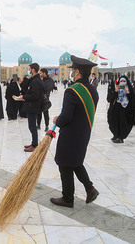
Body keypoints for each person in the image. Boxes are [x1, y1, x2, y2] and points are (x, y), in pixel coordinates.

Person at [50, 55, 99, 208]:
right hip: (83, 134)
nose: (71, 72)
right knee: (76, 162)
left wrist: (56, 120)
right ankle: (90, 189)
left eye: (73, 70)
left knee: (64, 164)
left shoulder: (72, 91)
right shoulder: (93, 91)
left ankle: (67, 198)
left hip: (70, 136)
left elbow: (66, 118)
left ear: (77, 72)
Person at [19, 63, 43, 152]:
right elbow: (29, 91)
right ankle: (33, 142)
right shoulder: (34, 80)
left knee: (32, 126)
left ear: (33, 70)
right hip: (32, 106)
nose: (28, 71)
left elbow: (35, 95)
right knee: (31, 126)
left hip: (33, 107)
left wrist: (24, 97)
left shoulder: (36, 81)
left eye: (29, 69)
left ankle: (35, 145)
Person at [107, 76, 135, 143]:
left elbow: (133, 100)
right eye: (121, 81)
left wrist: (128, 93)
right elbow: (112, 99)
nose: (122, 83)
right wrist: (116, 91)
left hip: (125, 109)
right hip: (117, 107)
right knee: (115, 121)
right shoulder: (117, 88)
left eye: (124, 81)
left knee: (122, 122)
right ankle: (116, 134)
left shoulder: (130, 89)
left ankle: (121, 137)